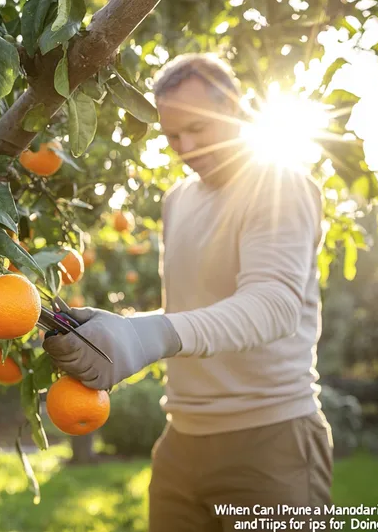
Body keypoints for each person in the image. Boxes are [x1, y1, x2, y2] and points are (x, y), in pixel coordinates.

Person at [43, 53, 334, 531]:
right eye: (173, 136)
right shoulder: (178, 199)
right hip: (181, 443)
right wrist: (126, 329)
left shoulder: (279, 184)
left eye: (198, 128)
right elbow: (192, 314)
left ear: (237, 108)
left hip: (269, 443)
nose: (186, 147)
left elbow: (273, 305)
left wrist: (149, 334)